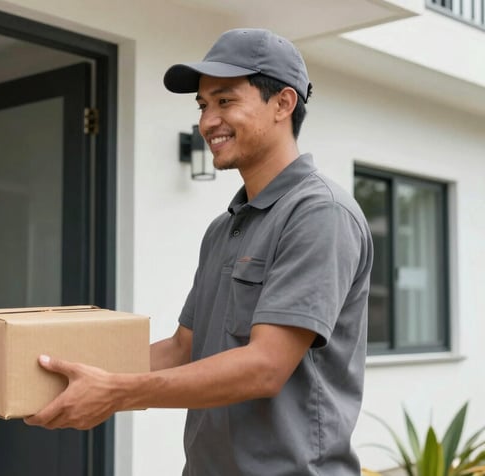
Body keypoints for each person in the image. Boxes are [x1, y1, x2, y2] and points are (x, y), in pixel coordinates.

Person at [25, 28, 374, 475]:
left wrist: (116, 392)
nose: (208, 121)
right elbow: (184, 347)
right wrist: (59, 373)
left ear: (283, 104)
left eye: (225, 101)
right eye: (203, 105)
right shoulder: (223, 228)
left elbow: (266, 366)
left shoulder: (319, 212)